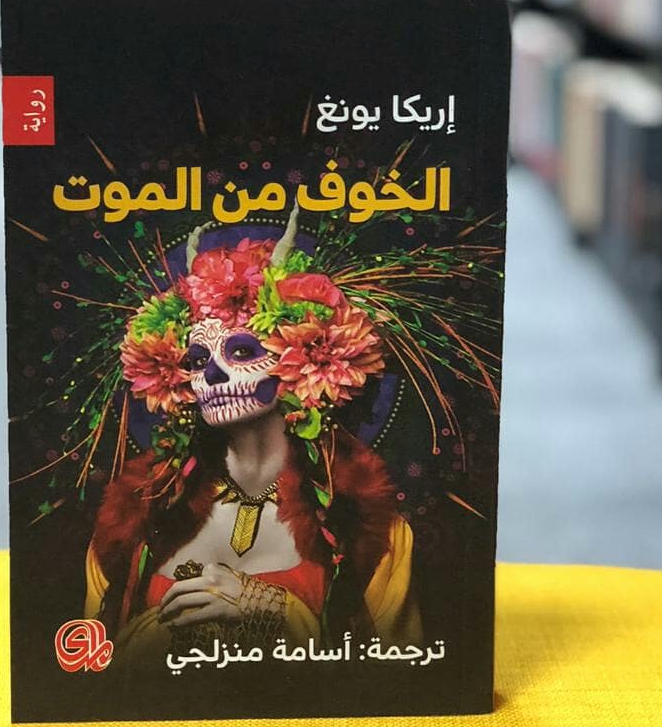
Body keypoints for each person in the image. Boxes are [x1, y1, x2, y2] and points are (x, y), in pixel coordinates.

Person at [82, 211, 421, 667]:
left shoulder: (368, 532)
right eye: (196, 359)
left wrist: (269, 611)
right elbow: (93, 671)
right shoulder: (135, 521)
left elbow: (397, 677)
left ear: (306, 356)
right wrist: (155, 636)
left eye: (242, 351)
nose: (212, 374)